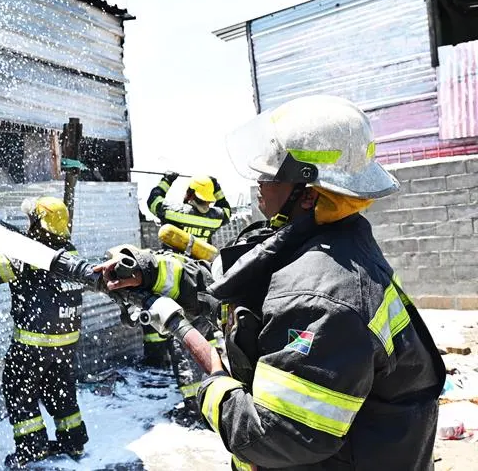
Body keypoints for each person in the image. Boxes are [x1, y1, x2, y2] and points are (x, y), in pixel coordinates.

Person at [99, 95, 446, 469]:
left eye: (272, 172)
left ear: (309, 194)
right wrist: (148, 271)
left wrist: (216, 383)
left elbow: (271, 436)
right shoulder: (313, 241)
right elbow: (239, 284)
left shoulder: (322, 296)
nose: (260, 180)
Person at [0, 197, 88, 468]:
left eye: (31, 219)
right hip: (66, 343)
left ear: (39, 223)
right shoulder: (69, 252)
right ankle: (74, 441)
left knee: (18, 389)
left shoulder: (32, 253)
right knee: (60, 390)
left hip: (34, 343)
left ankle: (32, 447)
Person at [142, 172, 231, 421]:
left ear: (189, 194)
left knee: (182, 343)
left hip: (175, 283)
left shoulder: (175, 212)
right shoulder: (214, 218)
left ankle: (194, 407)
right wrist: (217, 184)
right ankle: (214, 388)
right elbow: (227, 210)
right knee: (206, 340)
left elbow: (153, 202)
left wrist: (166, 180)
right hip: (202, 284)